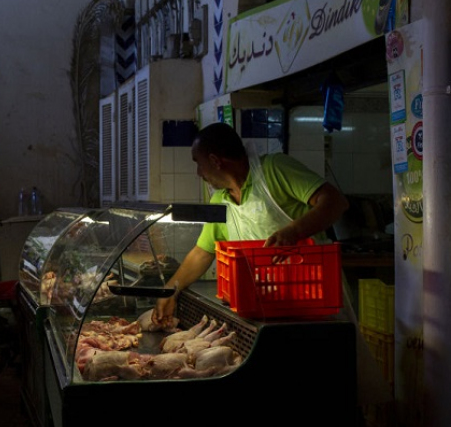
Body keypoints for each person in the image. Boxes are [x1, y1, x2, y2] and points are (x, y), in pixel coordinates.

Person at [152, 122, 390, 407]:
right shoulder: (221, 201)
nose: (199, 173)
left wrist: (293, 232)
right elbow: (202, 253)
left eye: (199, 164)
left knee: (331, 386)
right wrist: (171, 290)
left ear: (215, 160)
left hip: (312, 304)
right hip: (262, 310)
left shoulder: (274, 170)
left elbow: (335, 202)